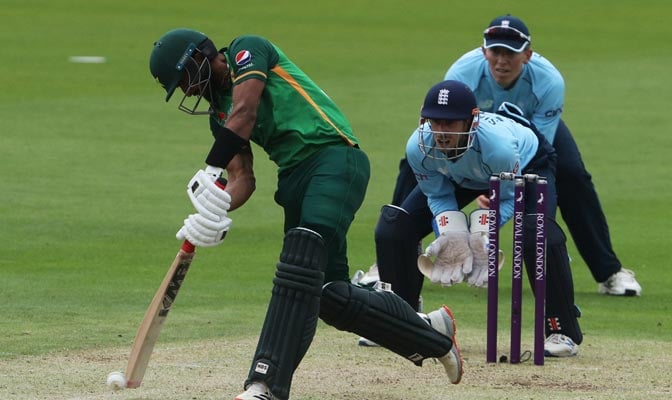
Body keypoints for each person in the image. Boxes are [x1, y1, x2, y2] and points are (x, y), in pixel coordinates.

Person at [148, 28, 463, 400]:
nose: (186, 90)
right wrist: (213, 213)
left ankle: (264, 383)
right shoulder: (219, 116)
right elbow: (242, 178)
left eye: (183, 78)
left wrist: (210, 168)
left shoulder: (246, 52)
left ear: (199, 56)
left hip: (334, 159)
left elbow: (246, 111)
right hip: (295, 180)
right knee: (330, 295)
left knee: (298, 266)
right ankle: (432, 335)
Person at [368, 14, 641, 297]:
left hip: (527, 135)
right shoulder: (462, 73)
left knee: (571, 174)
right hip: (471, 136)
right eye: (495, 51)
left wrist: (498, 188)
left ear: (527, 55)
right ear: (484, 51)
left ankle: (608, 271)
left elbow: (540, 149)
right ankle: (389, 261)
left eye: (510, 53)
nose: (502, 61)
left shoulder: (549, 81)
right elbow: (447, 134)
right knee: (418, 163)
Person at [376, 79, 583, 357]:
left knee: (537, 231)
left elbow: (509, 198)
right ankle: (403, 318)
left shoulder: (499, 148)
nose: (441, 132)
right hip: (462, 172)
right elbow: (438, 195)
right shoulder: (418, 146)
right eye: (435, 122)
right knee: (394, 226)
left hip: (526, 164)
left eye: (450, 123)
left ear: (471, 121)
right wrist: (452, 236)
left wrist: (480, 236)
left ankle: (562, 330)